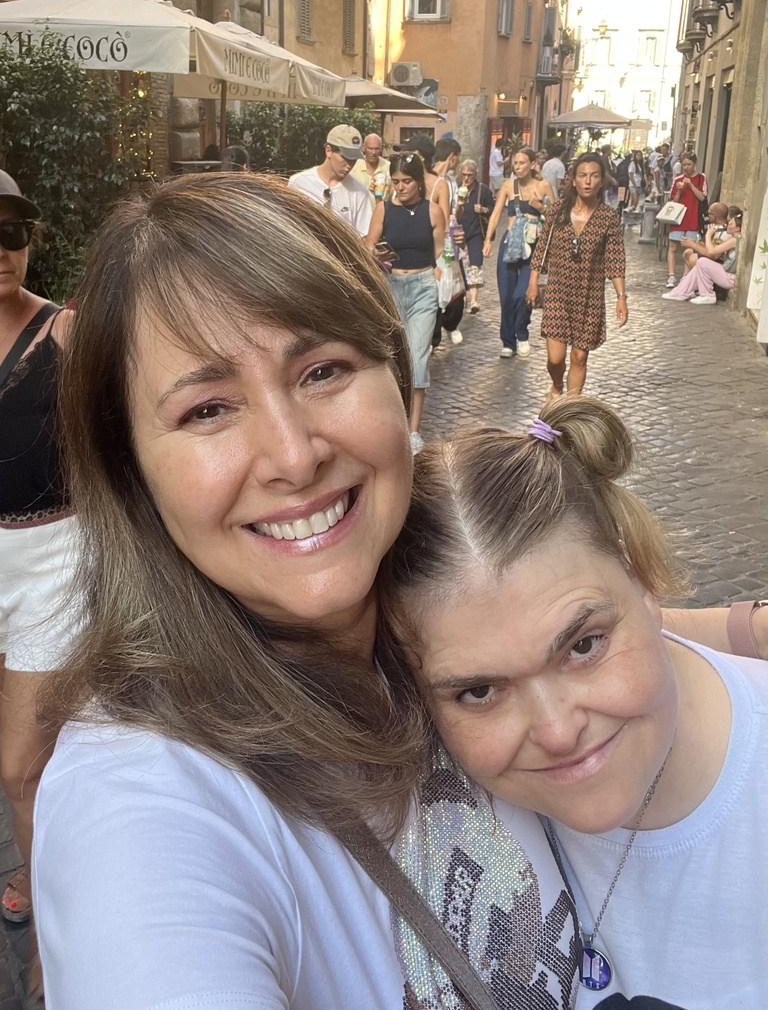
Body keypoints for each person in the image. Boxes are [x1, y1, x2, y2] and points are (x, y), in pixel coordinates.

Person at [32, 172, 761, 1009]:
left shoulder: (399, 611)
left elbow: (582, 627)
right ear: (129, 471)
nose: (293, 455)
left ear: (397, 377)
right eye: (207, 411)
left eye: (323, 370)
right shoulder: (140, 801)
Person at [383, 396, 768, 1010]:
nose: (558, 732)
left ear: (642, 581)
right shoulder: (434, 799)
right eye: (479, 691)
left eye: (584, 646)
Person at [0, 171, 77, 998]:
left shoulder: (66, 333)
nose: (3, 249)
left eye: (15, 232)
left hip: (55, 559)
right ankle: (27, 862)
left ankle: (56, 942)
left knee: (24, 766)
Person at [527, 151, 627, 402]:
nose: (588, 181)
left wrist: (621, 296)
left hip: (589, 297)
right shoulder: (558, 211)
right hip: (558, 293)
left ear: (601, 180)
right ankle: (557, 384)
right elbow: (542, 248)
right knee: (555, 358)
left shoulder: (608, 217)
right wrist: (533, 283)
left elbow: (615, 259)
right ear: (573, 179)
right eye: (582, 176)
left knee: (580, 357)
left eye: (594, 176)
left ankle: (570, 407)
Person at [366, 153, 444, 443]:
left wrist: (440, 275)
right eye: (396, 181)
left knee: (418, 358)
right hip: (393, 284)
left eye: (406, 181)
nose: (400, 187)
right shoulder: (383, 209)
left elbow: (440, 254)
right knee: (394, 355)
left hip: (424, 285)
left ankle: (413, 432)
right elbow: (369, 246)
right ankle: (394, 420)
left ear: (418, 182)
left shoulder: (432, 211)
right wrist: (377, 254)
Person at [484, 147, 555, 360]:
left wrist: (540, 208)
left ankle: (522, 333)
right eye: (515, 163)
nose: (517, 166)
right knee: (506, 296)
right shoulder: (508, 186)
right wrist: (488, 239)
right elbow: (496, 214)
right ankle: (508, 341)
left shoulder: (543, 186)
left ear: (533, 164)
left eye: (522, 162)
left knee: (523, 294)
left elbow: (556, 217)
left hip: (533, 246)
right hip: (509, 243)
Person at [288, 124, 372, 237]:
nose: (349, 165)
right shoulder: (299, 183)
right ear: (329, 150)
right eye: (345, 158)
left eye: (354, 159)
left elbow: (363, 236)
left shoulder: (360, 192)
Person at [662, 205, 742, 304]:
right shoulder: (733, 239)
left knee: (702, 262)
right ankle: (680, 292)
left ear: (737, 228)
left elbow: (712, 252)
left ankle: (707, 295)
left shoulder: (734, 240)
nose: (728, 224)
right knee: (699, 265)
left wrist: (708, 234)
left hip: (729, 277)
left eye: (731, 223)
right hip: (726, 272)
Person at [431, 139, 465, 347]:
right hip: (435, 239)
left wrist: (460, 206)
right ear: (452, 156)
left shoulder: (453, 182)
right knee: (435, 286)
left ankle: (450, 323)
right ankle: (435, 336)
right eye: (457, 158)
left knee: (456, 285)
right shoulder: (430, 180)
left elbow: (454, 213)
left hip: (451, 240)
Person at [455, 159, 494, 313]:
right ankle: (462, 295)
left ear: (475, 175)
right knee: (459, 265)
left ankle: (474, 300)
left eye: (469, 175)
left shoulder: (482, 190)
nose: (466, 178)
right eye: (464, 174)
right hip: (458, 232)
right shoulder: (457, 188)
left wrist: (484, 209)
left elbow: (493, 209)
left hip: (476, 232)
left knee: (475, 264)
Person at [666, 152, 708, 288]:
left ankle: (686, 276)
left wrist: (691, 185)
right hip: (678, 218)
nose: (686, 167)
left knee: (689, 248)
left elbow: (702, 197)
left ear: (694, 164)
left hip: (693, 217)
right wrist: (679, 191)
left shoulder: (702, 178)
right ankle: (671, 276)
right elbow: (673, 201)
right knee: (673, 246)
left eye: (689, 164)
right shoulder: (678, 179)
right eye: (684, 165)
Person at [681, 201, 729, 271]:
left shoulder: (725, 233)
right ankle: (691, 277)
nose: (707, 216)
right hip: (713, 257)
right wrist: (698, 243)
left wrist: (693, 244)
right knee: (687, 253)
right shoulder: (716, 227)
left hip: (721, 262)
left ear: (713, 216)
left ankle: (700, 279)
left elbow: (713, 255)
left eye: (708, 213)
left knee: (694, 259)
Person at [349, 133, 391, 205]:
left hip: (382, 214)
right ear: (363, 148)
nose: (373, 152)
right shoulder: (354, 166)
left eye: (377, 149)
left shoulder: (389, 167)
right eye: (370, 148)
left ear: (381, 148)